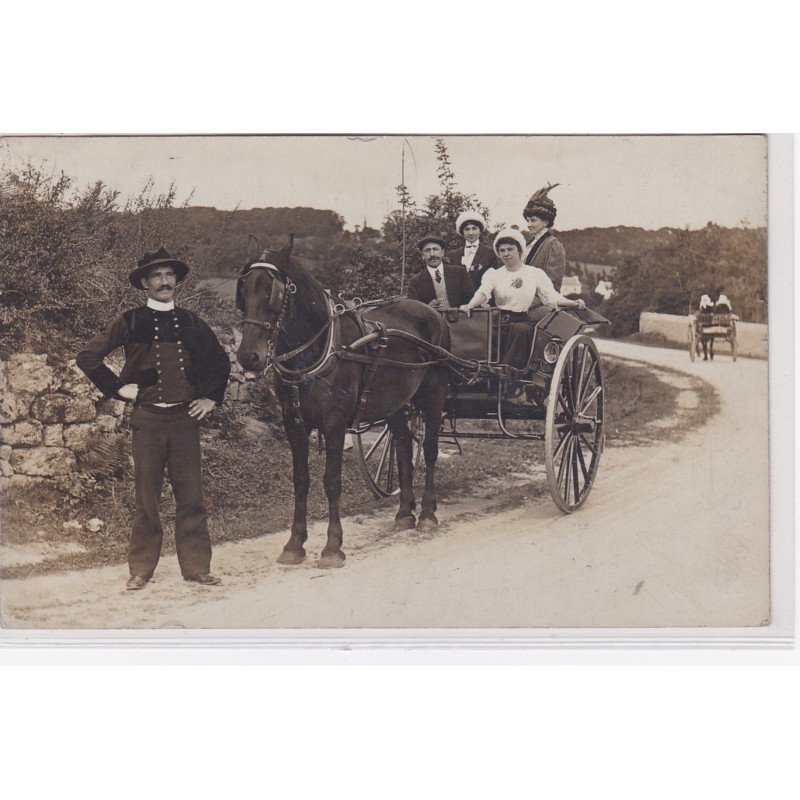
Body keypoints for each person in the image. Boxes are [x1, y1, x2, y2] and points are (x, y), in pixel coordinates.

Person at [76, 248, 231, 590]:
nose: (164, 282)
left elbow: (221, 363)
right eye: (157, 276)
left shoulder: (192, 322)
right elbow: (87, 356)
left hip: (184, 422)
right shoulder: (130, 320)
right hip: (147, 421)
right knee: (147, 498)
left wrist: (210, 399)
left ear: (176, 281)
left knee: (191, 496)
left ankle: (196, 568)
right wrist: (118, 390)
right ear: (144, 283)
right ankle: (141, 571)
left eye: (170, 275)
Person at [459, 229, 585, 390]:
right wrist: (470, 305)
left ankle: (506, 378)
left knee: (520, 331)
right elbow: (483, 293)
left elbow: (551, 297)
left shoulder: (534, 274)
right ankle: (479, 377)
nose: (506, 253)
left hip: (522, 321)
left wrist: (572, 303)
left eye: (510, 249)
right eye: (502, 250)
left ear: (519, 250)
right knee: (483, 333)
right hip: (498, 321)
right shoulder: (494, 274)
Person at [405, 234, 474, 308]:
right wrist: (428, 308)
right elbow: (412, 309)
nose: (432, 254)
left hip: (460, 318)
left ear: (442, 253)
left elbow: (471, 298)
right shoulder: (416, 282)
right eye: (427, 250)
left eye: (435, 249)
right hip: (430, 319)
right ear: (423, 256)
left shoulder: (459, 272)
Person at [523, 182, 568, 289]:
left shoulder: (554, 245)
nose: (528, 225)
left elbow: (553, 285)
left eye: (533, 220)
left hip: (538, 303)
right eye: (528, 220)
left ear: (546, 222)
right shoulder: (529, 244)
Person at [450, 211, 500, 293]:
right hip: (461, 302)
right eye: (467, 229)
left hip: (483, 301)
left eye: (474, 228)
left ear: (480, 230)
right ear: (462, 232)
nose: (471, 233)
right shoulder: (455, 254)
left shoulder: (490, 252)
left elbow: (495, 279)